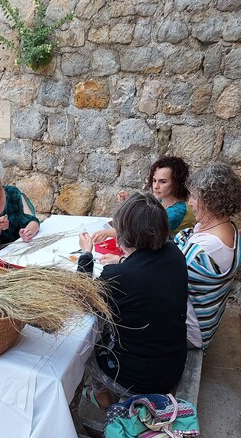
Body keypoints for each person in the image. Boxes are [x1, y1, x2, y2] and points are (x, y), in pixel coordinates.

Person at [78, 192, 188, 410]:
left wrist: (86, 255)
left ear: (124, 234)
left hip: (141, 379)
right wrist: (121, 260)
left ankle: (103, 400)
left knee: (83, 347)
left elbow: (82, 300)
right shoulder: (174, 253)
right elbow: (147, 270)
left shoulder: (119, 277)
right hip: (173, 363)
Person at [175, 164, 241, 350]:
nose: (189, 202)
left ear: (210, 201)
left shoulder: (205, 248)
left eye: (194, 197)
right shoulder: (230, 228)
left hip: (191, 333)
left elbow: (165, 285)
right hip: (206, 322)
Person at [92, 156, 195, 243]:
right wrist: (129, 200)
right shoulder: (161, 200)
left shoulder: (179, 211)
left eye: (163, 182)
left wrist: (113, 233)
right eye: (154, 180)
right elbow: (144, 213)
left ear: (177, 183)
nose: (156, 186)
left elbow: (147, 229)